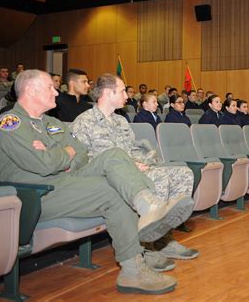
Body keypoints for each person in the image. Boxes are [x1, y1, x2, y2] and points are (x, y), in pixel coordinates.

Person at [0, 70, 193, 295]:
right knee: (111, 190)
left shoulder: (52, 122)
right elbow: (44, 165)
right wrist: (64, 154)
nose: (56, 92)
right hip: (39, 194)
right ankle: (133, 268)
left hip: (67, 181)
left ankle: (147, 205)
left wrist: (60, 154)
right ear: (30, 91)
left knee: (114, 155)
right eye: (50, 87)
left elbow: (80, 153)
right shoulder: (10, 122)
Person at [71, 73, 198, 262]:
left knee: (184, 173)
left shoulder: (121, 121)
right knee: (160, 178)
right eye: (122, 91)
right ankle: (148, 247)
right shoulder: (84, 121)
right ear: (108, 92)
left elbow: (132, 149)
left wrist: (143, 162)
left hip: (134, 170)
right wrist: (132, 165)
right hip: (111, 177)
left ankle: (163, 239)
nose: (127, 96)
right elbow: (84, 160)